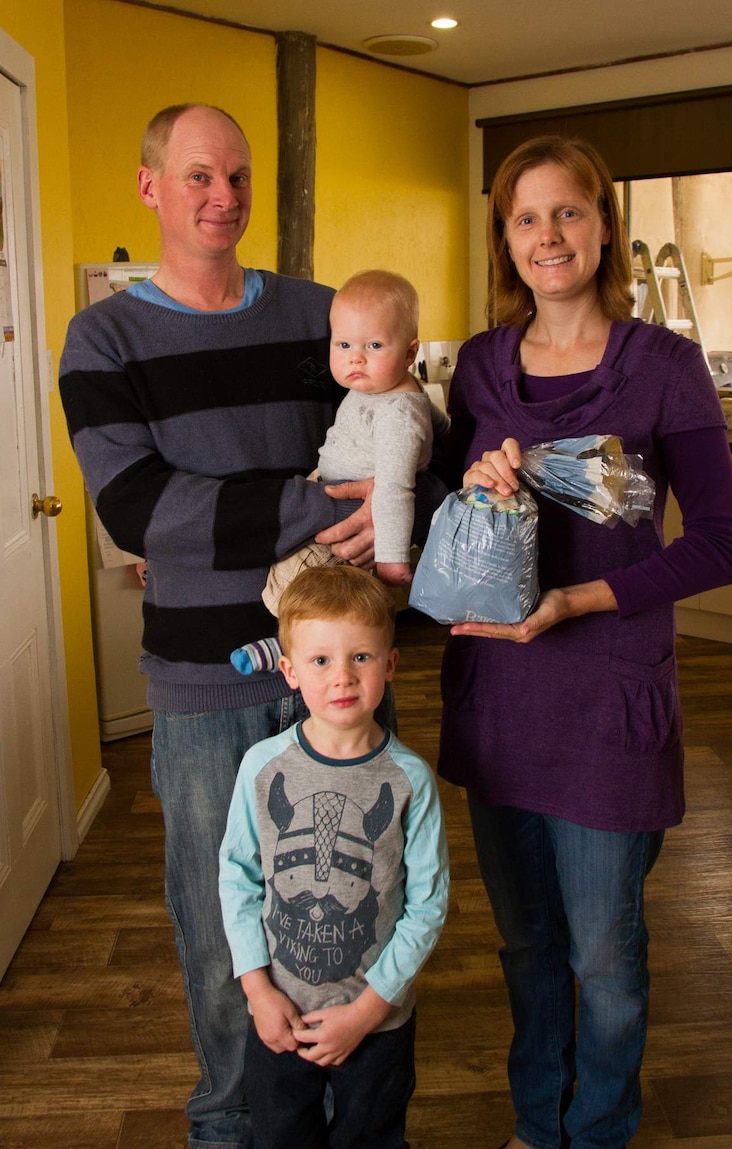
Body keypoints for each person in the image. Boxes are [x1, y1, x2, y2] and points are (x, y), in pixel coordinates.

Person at [58, 104, 445, 1149]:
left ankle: (354, 1118)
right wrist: (323, 507)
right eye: (196, 177)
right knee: (227, 921)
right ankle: (235, 1125)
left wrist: (404, 493)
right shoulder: (104, 337)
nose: (221, 197)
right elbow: (139, 508)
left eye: (235, 177)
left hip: (341, 671)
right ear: (150, 188)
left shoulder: (323, 314)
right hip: (202, 687)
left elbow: (410, 437)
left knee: (367, 901)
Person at [436, 135, 732, 1149]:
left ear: (603, 224)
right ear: (504, 238)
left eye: (567, 211)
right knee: (527, 945)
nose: (548, 234)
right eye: (525, 217)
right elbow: (452, 511)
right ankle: (538, 1124)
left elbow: (719, 545)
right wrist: (465, 486)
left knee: (604, 954)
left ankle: (601, 1127)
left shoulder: (662, 366)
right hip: (498, 698)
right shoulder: (480, 367)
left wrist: (576, 602)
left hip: (609, 704)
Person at [219, 564, 449, 1148]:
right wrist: (257, 992)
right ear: (291, 672)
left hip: (377, 1022)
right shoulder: (261, 768)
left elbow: (427, 905)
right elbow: (238, 878)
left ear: (391, 664)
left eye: (362, 658)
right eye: (321, 661)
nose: (342, 677)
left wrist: (370, 1010)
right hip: (281, 1016)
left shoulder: (410, 780)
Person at [231, 268, 445, 676]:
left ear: (410, 352)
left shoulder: (398, 414)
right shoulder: (387, 389)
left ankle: (284, 647)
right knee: (316, 591)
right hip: (328, 492)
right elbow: (437, 422)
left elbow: (396, 489)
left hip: (347, 521)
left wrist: (393, 558)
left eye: (374, 345)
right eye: (343, 344)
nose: (355, 358)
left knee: (299, 582)